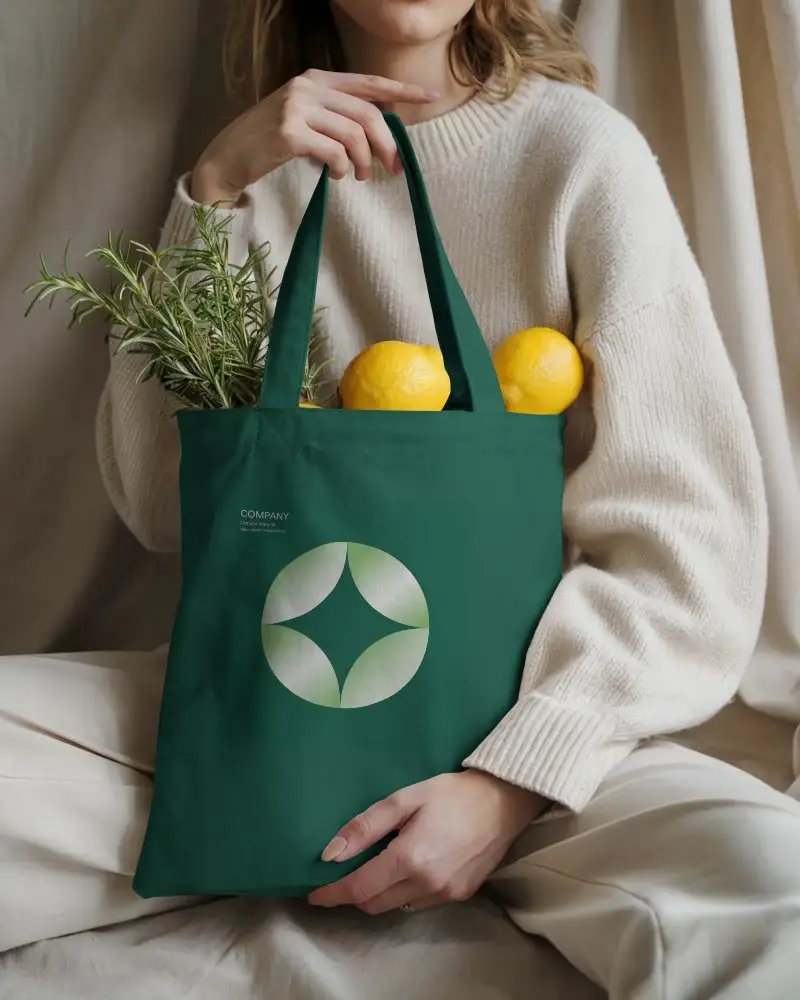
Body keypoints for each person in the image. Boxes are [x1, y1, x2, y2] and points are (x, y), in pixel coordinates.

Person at [2, 0, 800, 994]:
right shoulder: (260, 168)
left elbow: (688, 538)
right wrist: (210, 193)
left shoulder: (579, 156)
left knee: (773, 885)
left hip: (540, 741)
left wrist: (509, 781)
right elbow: (165, 507)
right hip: (263, 712)